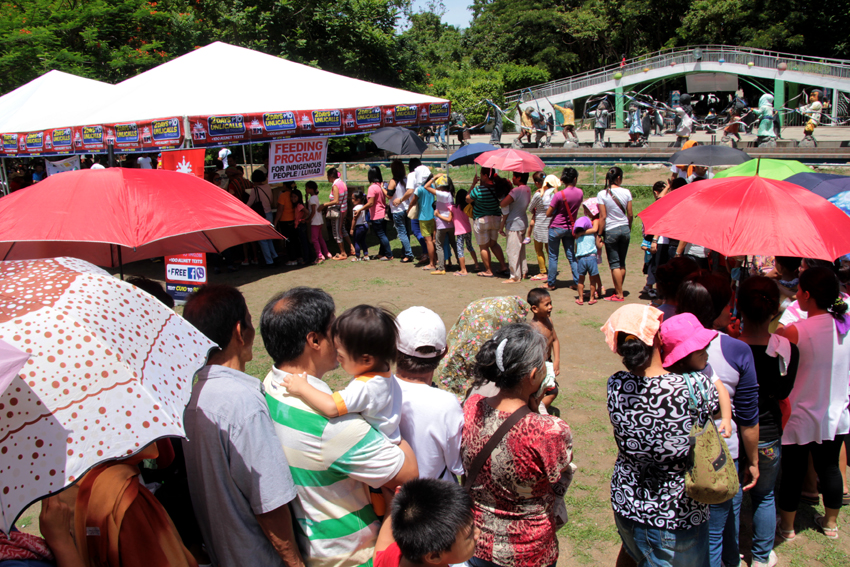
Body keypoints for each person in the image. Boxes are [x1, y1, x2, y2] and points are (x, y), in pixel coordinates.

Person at [260, 288, 419, 564]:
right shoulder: (330, 426)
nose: (341, 339)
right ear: (314, 340)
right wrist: (399, 439)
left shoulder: (270, 386)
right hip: (351, 555)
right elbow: (408, 473)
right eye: (334, 330)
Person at [181, 285, 303, 567]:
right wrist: (295, 562)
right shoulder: (243, 404)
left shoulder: (194, 397)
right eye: (249, 321)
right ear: (240, 331)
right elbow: (269, 502)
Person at [603, 305, 719, 567]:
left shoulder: (616, 384)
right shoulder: (696, 387)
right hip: (677, 514)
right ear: (657, 337)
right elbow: (717, 413)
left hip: (627, 503)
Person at [463, 323, 573, 567]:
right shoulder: (550, 430)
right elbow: (559, 479)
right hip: (529, 549)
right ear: (533, 375)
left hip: (477, 541)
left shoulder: (472, 407)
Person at [675, 272, 760, 567]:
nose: (731, 311)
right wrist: (753, 461)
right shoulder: (736, 349)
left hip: (678, 451)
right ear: (717, 309)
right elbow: (748, 418)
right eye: (728, 305)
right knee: (716, 531)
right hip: (722, 455)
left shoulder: (667, 344)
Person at [776, 267, 850, 540]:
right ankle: (830, 524)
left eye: (797, 291)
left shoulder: (796, 330)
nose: (796, 295)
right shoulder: (846, 324)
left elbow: (777, 364)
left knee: (793, 472)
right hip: (836, 412)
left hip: (799, 415)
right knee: (830, 467)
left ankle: (787, 527)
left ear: (806, 295)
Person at [736, 276, 799, 567]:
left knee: (733, 497)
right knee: (764, 496)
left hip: (735, 435)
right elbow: (784, 392)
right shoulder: (788, 350)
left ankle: (731, 553)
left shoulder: (729, 347)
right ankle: (761, 556)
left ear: (739, 306)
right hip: (770, 432)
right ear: (775, 310)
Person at [281, 304, 403, 443]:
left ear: (367, 359)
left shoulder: (365, 387)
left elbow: (331, 406)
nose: (337, 359)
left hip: (375, 449)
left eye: (341, 355)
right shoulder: (384, 372)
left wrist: (302, 387)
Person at [393, 306, 463, 480]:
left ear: (392, 348)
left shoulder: (373, 390)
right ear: (444, 352)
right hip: (435, 498)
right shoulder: (446, 404)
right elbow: (456, 463)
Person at [374, 479, 478, 567]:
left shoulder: (395, 553)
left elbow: (378, 558)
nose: (478, 533)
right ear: (434, 556)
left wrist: (390, 506)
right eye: (470, 535)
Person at [597, 167, 633, 301]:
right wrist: (628, 227)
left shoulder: (602, 194)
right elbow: (630, 214)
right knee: (622, 263)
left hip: (611, 230)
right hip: (624, 229)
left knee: (614, 264)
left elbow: (603, 216)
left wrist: (599, 234)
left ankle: (619, 294)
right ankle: (619, 289)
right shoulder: (627, 192)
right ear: (619, 178)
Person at [546, 167, 583, 291]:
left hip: (556, 227)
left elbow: (548, 213)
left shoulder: (559, 195)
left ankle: (551, 283)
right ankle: (578, 282)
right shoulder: (580, 193)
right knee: (571, 256)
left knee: (553, 256)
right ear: (575, 179)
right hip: (570, 228)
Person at [467, 167, 508, 278]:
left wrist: (473, 184)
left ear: (485, 175)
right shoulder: (497, 188)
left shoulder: (478, 190)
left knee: (484, 246)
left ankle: (488, 270)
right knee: (493, 244)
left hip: (481, 220)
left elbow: (467, 199)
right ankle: (503, 265)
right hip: (496, 219)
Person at [528, 288, 561, 410]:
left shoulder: (549, 320)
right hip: (538, 366)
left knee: (550, 390)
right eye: (547, 304)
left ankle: (537, 408)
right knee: (548, 391)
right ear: (535, 309)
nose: (551, 307)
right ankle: (536, 410)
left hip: (548, 362)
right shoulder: (533, 329)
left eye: (551, 303)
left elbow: (555, 340)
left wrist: (556, 361)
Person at [499, 172, 531, 283]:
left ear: (519, 177)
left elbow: (503, 203)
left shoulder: (516, 191)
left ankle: (515, 276)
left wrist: (510, 190)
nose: (512, 178)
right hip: (522, 222)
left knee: (512, 250)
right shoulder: (527, 189)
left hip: (514, 224)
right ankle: (523, 270)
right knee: (521, 250)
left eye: (514, 177)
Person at [397, 158, 431, 260]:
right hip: (429, 204)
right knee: (427, 231)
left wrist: (401, 200)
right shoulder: (428, 174)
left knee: (416, 230)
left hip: (417, 205)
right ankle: (427, 252)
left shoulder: (412, 175)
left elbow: (410, 191)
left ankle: (427, 252)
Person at [528, 173, 560, 281]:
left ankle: (542, 271)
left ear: (537, 183)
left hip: (540, 223)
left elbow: (530, 208)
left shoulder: (538, 195)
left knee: (539, 249)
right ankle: (552, 270)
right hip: (552, 223)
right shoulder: (555, 194)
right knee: (550, 251)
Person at [423, 174, 456, 275]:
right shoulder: (450, 194)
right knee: (454, 245)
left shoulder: (442, 194)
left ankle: (441, 268)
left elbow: (426, 187)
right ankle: (461, 264)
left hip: (442, 224)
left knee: (439, 245)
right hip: (451, 224)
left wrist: (434, 177)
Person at [248, 169, 278, 267]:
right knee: (269, 237)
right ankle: (274, 256)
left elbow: (249, 204)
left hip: (261, 216)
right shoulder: (268, 187)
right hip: (269, 213)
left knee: (262, 239)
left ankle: (269, 261)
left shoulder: (254, 190)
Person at [388, 160, 414, 263]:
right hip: (407, 208)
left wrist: (382, 189)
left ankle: (408, 254)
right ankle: (405, 252)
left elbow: (389, 195)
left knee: (402, 233)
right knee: (406, 232)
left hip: (397, 210)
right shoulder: (406, 180)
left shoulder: (393, 181)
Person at [325, 167, 354, 260]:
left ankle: (343, 253)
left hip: (337, 212)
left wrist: (324, 204)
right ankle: (351, 248)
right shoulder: (343, 183)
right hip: (343, 210)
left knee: (337, 232)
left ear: (330, 176)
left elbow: (336, 201)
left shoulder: (335, 185)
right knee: (343, 229)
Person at [365, 166, 393, 260]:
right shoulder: (382, 186)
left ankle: (389, 254)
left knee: (381, 235)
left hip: (376, 215)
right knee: (383, 234)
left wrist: (360, 209)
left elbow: (371, 203)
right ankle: (382, 253)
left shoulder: (372, 188)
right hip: (383, 213)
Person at [573, 216, 601, 305]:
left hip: (581, 258)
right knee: (592, 279)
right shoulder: (592, 235)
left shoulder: (577, 237)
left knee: (581, 279)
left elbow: (575, 249)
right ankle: (592, 298)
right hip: (591, 258)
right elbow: (598, 246)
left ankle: (580, 298)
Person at [451, 189, 478, 276]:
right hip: (468, 230)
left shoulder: (454, 208)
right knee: (470, 247)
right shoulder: (467, 207)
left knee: (460, 250)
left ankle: (463, 270)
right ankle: (477, 265)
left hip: (459, 231)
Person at [273, 180, 299, 266]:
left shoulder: (283, 196)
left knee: (288, 241)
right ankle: (297, 257)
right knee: (294, 240)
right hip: (293, 220)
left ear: (284, 186)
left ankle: (292, 259)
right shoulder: (294, 194)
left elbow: (280, 210)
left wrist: (275, 221)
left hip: (284, 221)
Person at [304, 180, 330, 264]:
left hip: (315, 222)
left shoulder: (312, 199)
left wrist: (308, 220)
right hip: (320, 221)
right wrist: (306, 198)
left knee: (314, 239)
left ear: (310, 189)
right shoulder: (315, 197)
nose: (305, 189)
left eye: (306, 188)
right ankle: (326, 253)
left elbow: (313, 211)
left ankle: (319, 255)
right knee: (320, 238)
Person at [350, 191, 370, 261]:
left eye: (353, 198)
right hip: (365, 225)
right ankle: (366, 255)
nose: (352, 200)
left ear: (358, 199)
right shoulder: (363, 206)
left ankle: (357, 256)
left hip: (359, 227)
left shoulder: (356, 208)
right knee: (363, 241)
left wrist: (352, 229)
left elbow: (354, 219)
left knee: (356, 241)